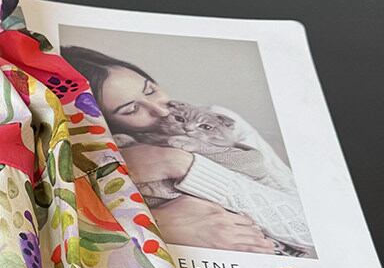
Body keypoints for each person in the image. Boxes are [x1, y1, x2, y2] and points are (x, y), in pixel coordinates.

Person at [61, 45, 314, 255]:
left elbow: (309, 228)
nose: (161, 110)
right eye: (132, 109)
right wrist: (160, 223)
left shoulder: (216, 121)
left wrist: (179, 163)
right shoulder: (105, 153)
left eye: (151, 90)